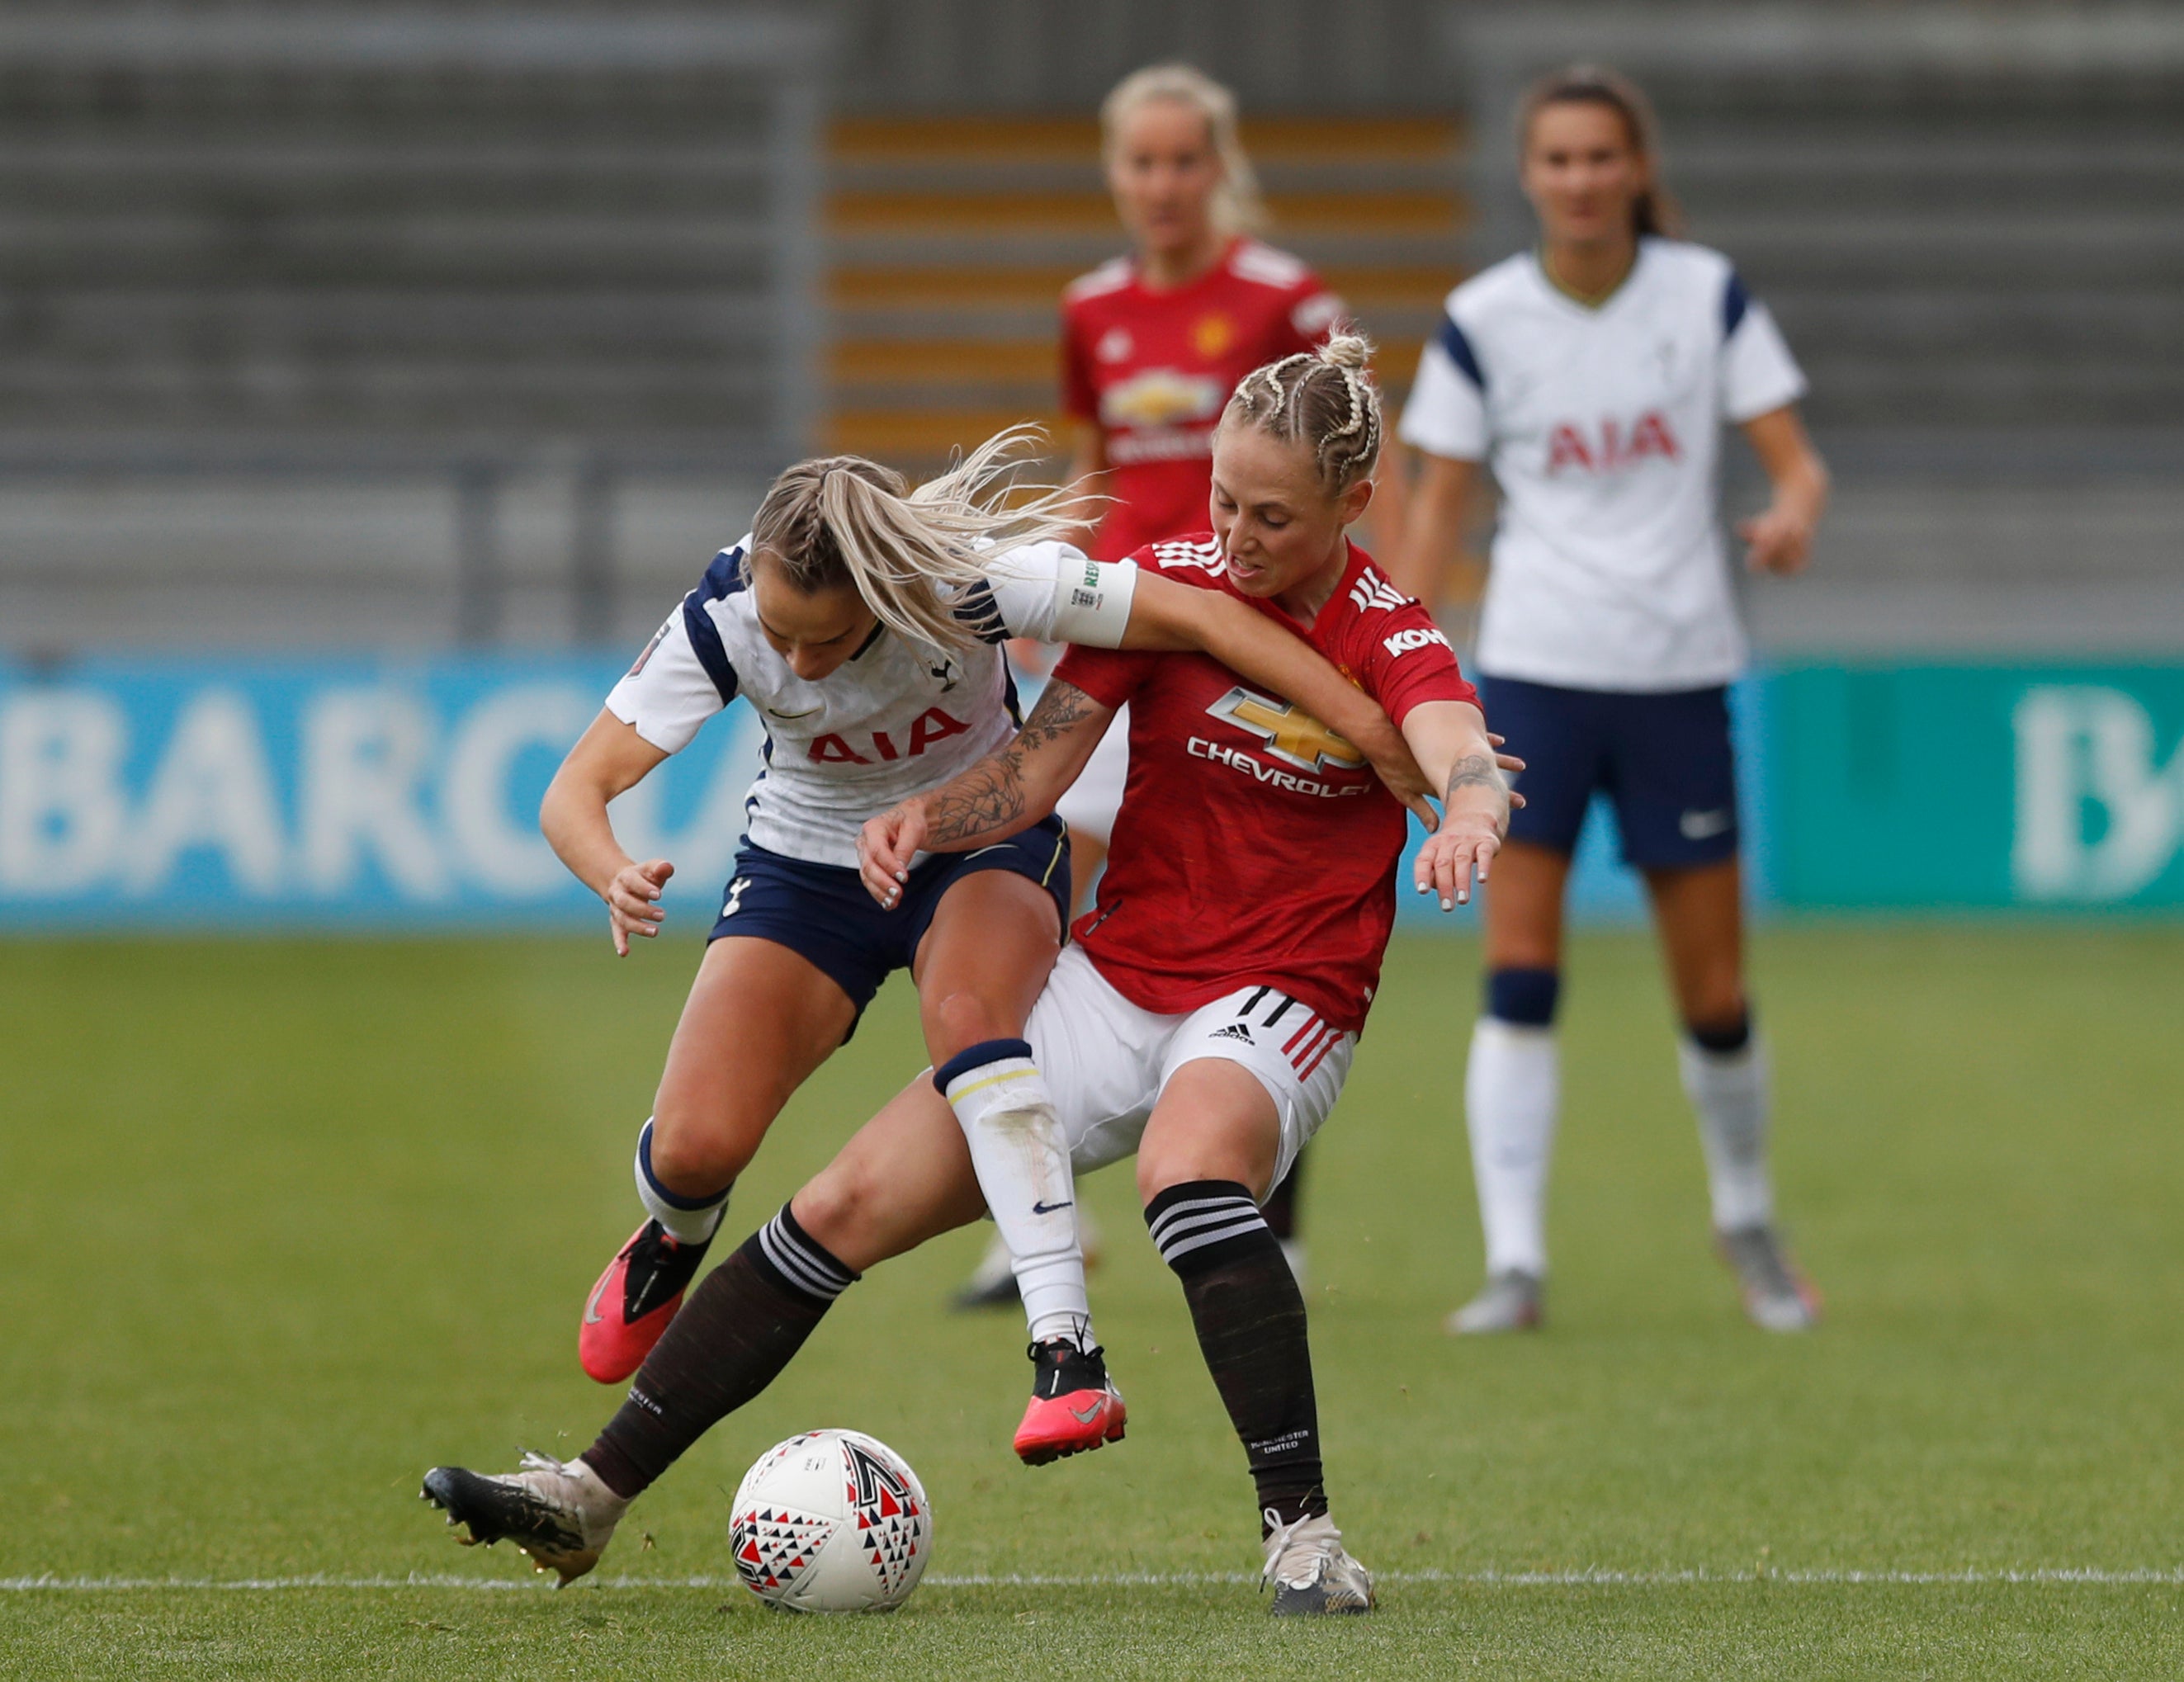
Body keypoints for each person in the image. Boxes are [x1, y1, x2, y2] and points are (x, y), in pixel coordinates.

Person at [421, 335, 1512, 1616]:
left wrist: (1468, 805)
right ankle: (588, 1498)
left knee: (1189, 1170)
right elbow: (1036, 768)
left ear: (1350, 507)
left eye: (1269, 513)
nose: (1234, 532)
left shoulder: (1386, 624)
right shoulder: (1166, 583)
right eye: (1221, 498)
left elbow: (1451, 735)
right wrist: (927, 819)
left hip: (1280, 986)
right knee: (839, 1202)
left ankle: (1304, 1538)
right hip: (1118, 980)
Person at [550, 425, 1428, 1387]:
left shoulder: (977, 580)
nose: (799, 665)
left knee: (968, 1019)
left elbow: (1211, 620)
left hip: (981, 838)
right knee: (694, 1145)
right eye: (784, 636)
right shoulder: (723, 617)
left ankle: (1062, 1339)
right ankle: (673, 1235)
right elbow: (574, 793)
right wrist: (610, 870)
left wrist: (1371, 731)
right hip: (807, 869)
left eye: (829, 640)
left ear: (887, 596)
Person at [1390, 65, 1832, 1335]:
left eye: (1600, 157)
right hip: (1533, 675)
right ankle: (1514, 1263)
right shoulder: (1484, 318)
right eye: (1557, 159)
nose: (1580, 179)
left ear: (1634, 169)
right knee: (1518, 972)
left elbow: (1794, 466)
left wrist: (1791, 515)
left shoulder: (1705, 296)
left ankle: (1743, 1216)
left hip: (1680, 674)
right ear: (1526, 175)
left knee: (1712, 994)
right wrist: (1397, 655)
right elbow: (1434, 501)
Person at [951, 61, 1344, 1311]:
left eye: (1185, 160)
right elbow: (1095, 457)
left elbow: (1340, 456)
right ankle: (1031, 1214)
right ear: (1114, 173)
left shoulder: (1285, 297)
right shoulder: (1092, 309)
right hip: (1120, 644)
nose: (1164, 183)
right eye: (1142, 162)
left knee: (1255, 907)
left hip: (1242, 648)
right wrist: (1042, 596)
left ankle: (1263, 1209)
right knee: (1055, 907)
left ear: (1218, 166)